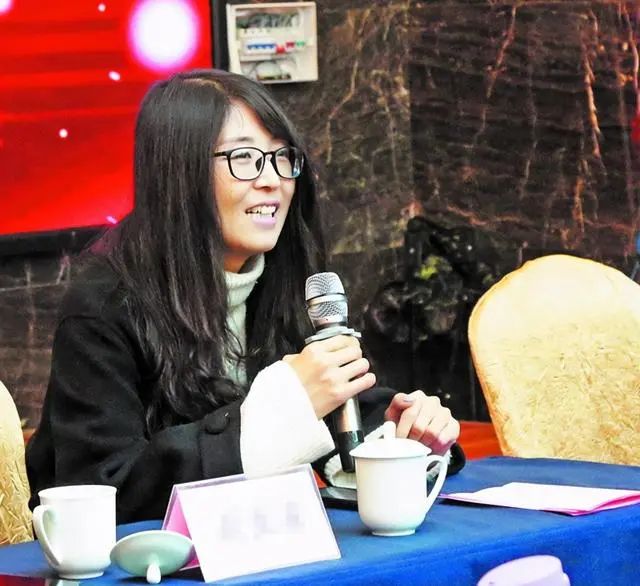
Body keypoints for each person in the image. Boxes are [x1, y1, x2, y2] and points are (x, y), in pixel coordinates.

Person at [26, 69, 464, 523]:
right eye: (245, 158)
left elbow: (335, 413)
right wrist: (284, 408)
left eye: (282, 157)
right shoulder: (103, 306)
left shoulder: (286, 278)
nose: (273, 180)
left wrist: (399, 436)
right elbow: (104, 489)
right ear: (179, 173)